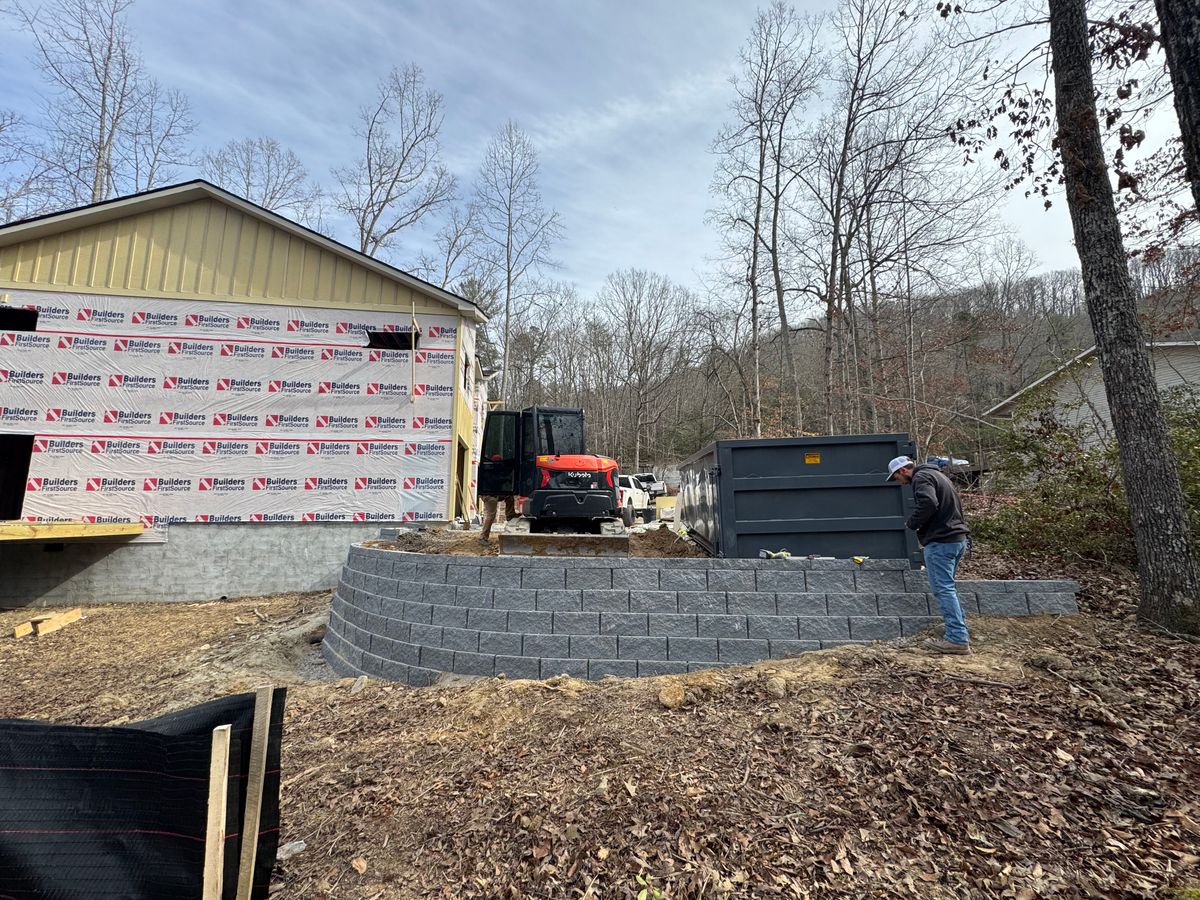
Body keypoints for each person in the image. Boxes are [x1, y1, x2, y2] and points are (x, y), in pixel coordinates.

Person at [887, 455, 972, 655]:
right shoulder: (938, 475)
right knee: (948, 588)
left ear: (903, 470)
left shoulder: (921, 478)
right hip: (957, 539)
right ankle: (958, 630)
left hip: (941, 542)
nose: (898, 482)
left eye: (896, 477)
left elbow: (928, 502)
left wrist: (913, 522)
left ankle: (957, 638)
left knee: (943, 589)